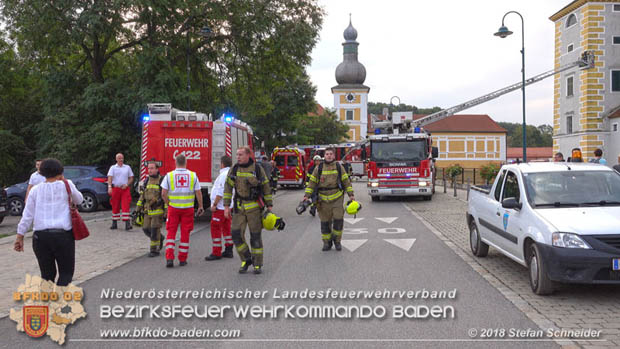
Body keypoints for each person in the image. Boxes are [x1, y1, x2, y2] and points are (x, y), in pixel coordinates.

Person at [14, 158, 83, 286]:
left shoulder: (35, 190)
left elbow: (27, 215)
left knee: (46, 275)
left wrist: (20, 236)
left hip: (40, 237)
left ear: (41, 172)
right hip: (63, 236)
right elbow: (79, 200)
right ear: (60, 171)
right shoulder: (67, 184)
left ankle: (48, 302)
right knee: (66, 273)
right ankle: (58, 301)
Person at [223, 147, 272, 274]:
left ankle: (257, 264)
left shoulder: (257, 169)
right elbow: (227, 188)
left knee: (255, 237)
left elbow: (266, 186)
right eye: (237, 154)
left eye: (240, 154)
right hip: (239, 208)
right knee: (236, 235)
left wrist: (269, 205)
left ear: (248, 155)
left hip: (254, 208)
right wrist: (226, 206)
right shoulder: (234, 169)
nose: (237, 157)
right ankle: (246, 258)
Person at [303, 147, 354, 252]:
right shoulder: (319, 167)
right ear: (324, 156)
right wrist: (307, 195)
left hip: (337, 197)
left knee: (338, 219)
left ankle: (337, 241)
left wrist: (351, 195)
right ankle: (327, 243)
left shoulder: (339, 167)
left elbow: (346, 181)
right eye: (327, 154)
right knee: (325, 222)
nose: (329, 156)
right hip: (322, 199)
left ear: (334, 156)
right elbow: (312, 182)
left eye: (331, 154)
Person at [161, 154, 204, 268]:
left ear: (175, 162)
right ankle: (182, 259)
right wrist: (200, 206)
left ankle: (169, 258)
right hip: (188, 209)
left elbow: (163, 193)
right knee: (185, 234)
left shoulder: (169, 176)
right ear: (186, 162)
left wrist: (168, 203)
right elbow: (198, 192)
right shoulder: (193, 175)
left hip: (173, 208)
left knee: (171, 233)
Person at [205, 155, 234, 261]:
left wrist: (214, 204)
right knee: (226, 228)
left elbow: (221, 191)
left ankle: (216, 252)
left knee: (215, 227)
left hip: (220, 208)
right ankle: (229, 249)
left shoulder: (223, 175)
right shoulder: (229, 173)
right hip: (227, 207)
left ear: (222, 164)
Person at [136, 161, 166, 257]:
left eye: (152, 168)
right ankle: (160, 238)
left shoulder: (162, 180)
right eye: (149, 168)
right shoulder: (146, 181)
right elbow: (142, 196)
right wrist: (137, 209)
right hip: (147, 210)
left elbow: (165, 196)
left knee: (154, 229)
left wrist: (166, 210)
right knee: (145, 229)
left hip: (157, 210)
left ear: (157, 169)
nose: (150, 170)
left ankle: (154, 250)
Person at [107, 153, 134, 230]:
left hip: (124, 189)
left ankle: (127, 224)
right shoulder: (113, 168)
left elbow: (131, 178)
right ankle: (114, 223)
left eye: (122, 158)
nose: (121, 159)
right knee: (115, 205)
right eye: (119, 158)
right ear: (116, 159)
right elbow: (110, 177)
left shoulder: (127, 167)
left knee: (126, 205)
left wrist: (127, 184)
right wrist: (109, 187)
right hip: (116, 188)